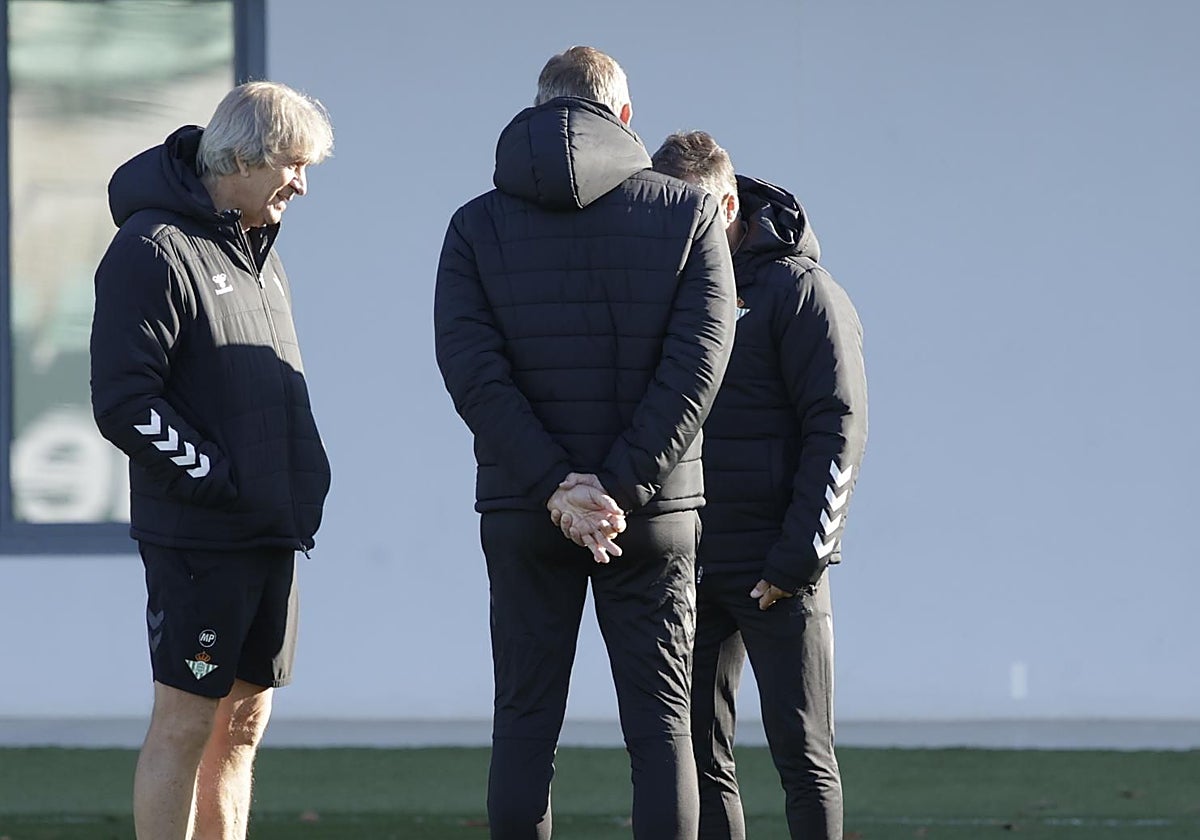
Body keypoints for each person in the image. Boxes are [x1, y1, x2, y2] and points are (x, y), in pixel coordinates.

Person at [434, 47, 736, 840]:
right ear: (624, 117)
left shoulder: (473, 226)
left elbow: (472, 372)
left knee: (524, 722)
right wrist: (622, 489)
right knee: (663, 729)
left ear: (538, 108)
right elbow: (699, 365)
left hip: (525, 511)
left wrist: (555, 488)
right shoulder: (690, 213)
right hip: (655, 509)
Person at [89, 81, 334, 840]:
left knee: (244, 726)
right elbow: (125, 403)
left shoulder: (262, 253)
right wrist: (216, 478)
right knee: (186, 724)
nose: (301, 182)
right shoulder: (151, 248)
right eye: (294, 163)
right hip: (201, 536)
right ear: (248, 155)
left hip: (270, 532)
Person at [651, 131, 868, 840]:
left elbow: (838, 431)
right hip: (688, 562)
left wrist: (797, 561)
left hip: (777, 571)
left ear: (730, 204)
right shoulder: (665, 287)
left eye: (695, 212)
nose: (679, 228)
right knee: (692, 758)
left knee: (803, 758)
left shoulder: (801, 292)